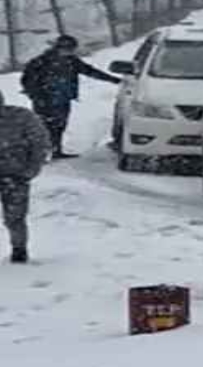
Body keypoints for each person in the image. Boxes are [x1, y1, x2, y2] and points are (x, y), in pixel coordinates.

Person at [20, 35, 121, 160]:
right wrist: (35, 94)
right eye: (68, 48)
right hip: (44, 100)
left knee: (60, 126)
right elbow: (27, 79)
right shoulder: (41, 61)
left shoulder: (72, 61)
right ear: (59, 47)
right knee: (44, 126)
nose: (70, 52)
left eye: (72, 49)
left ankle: (56, 150)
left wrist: (115, 80)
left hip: (63, 99)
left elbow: (90, 71)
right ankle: (40, 153)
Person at [0, 90, 51, 263]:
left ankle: (19, 250)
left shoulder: (22, 117)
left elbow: (40, 143)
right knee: (15, 217)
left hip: (15, 176)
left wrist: (31, 169)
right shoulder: (23, 117)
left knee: (15, 217)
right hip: (16, 174)